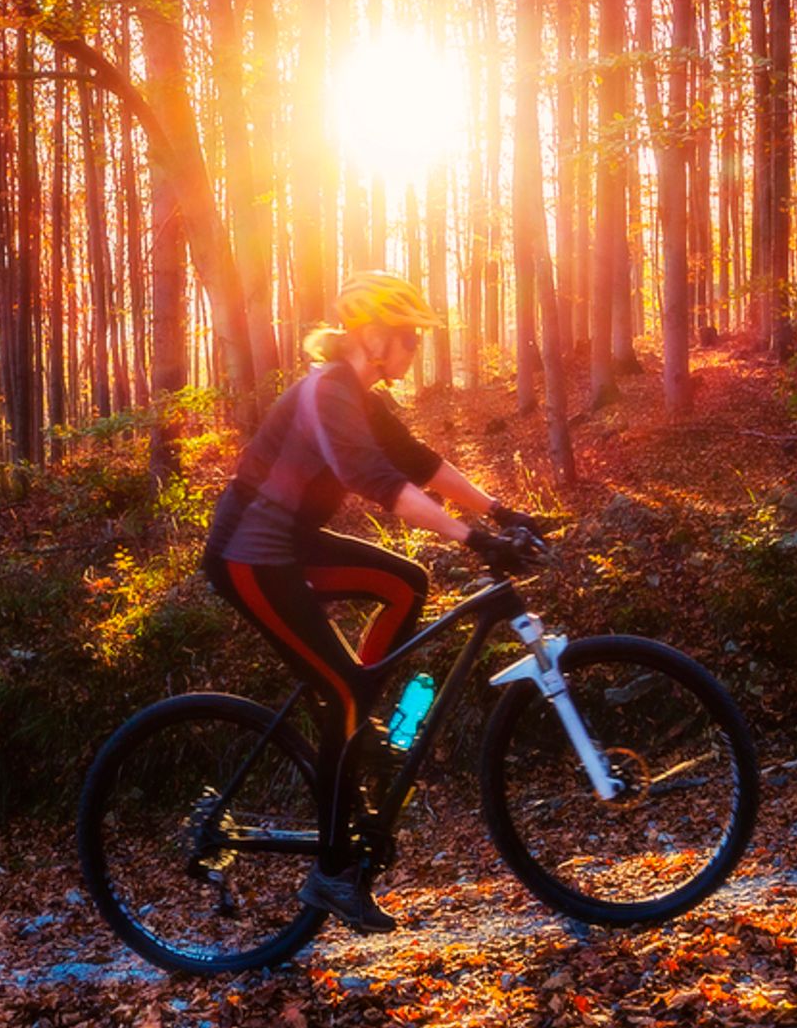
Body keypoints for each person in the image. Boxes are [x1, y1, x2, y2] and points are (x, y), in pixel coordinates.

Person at [206, 271, 546, 934]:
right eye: (409, 337)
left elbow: (419, 462)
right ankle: (333, 875)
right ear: (371, 337)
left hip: (291, 545)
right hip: (247, 554)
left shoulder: (361, 396)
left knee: (405, 585)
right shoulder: (330, 391)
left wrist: (504, 511)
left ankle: (363, 721)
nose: (415, 350)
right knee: (343, 695)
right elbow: (378, 481)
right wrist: (473, 537)